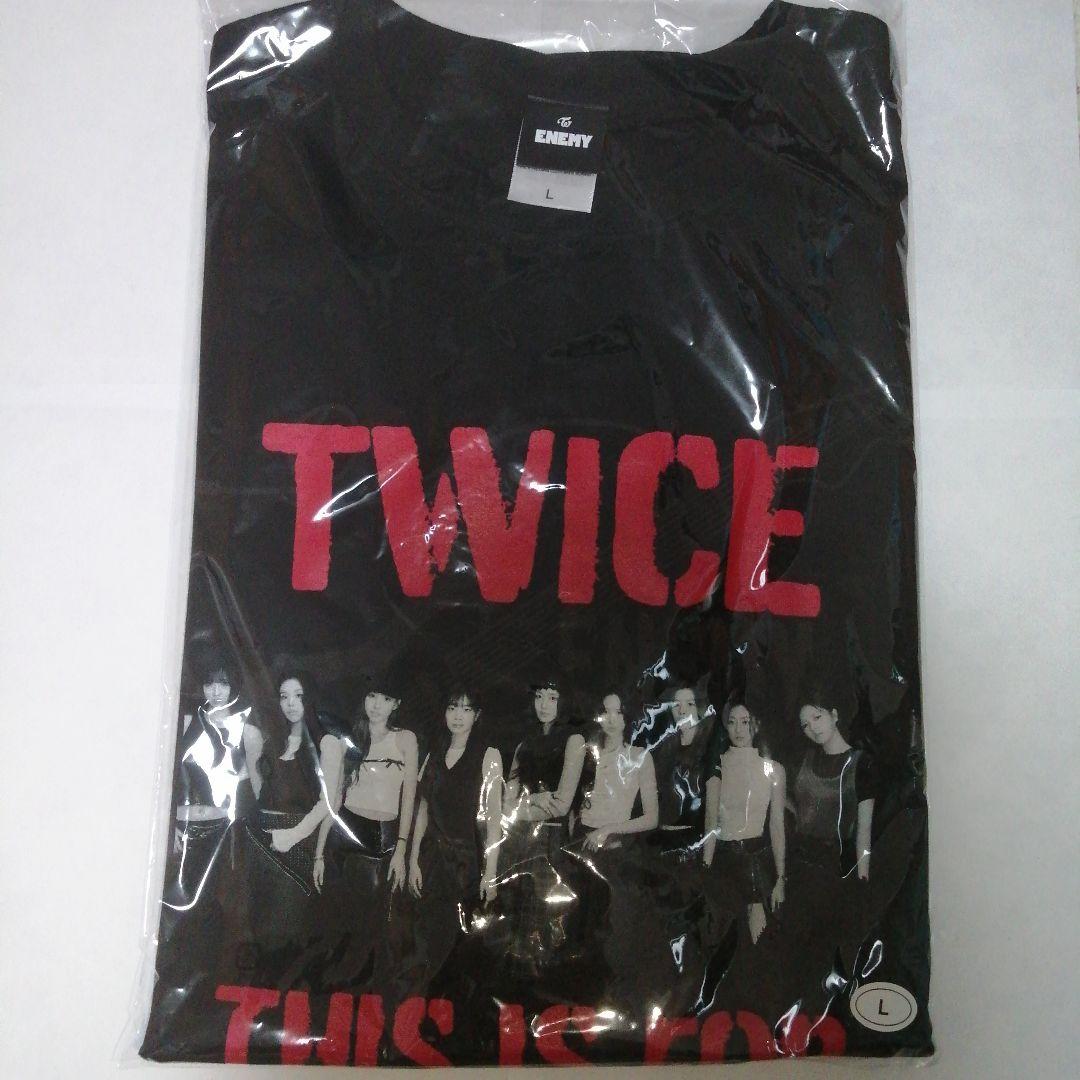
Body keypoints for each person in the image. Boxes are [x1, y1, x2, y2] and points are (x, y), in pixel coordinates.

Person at [142, 655, 264, 1056]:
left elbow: (252, 781)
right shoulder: (186, 722)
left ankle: (220, 991)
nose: (216, 690)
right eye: (211, 683)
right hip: (185, 829)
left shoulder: (244, 727)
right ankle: (183, 992)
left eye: (223, 683)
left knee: (223, 907)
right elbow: (174, 776)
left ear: (233, 687)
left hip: (222, 829)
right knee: (183, 913)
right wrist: (176, 824)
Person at [270, 672, 418, 992]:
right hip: (346, 834)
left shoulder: (405, 739)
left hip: (384, 836)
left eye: (385, 699)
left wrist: (402, 848)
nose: (376, 705)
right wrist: (319, 853)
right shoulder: (350, 738)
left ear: (396, 704)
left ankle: (368, 988)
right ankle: (332, 987)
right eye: (372, 696)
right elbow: (334, 799)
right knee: (340, 919)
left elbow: (410, 797)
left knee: (378, 921)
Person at [403, 690, 503, 996]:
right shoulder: (434, 754)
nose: (458, 715)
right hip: (431, 860)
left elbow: (495, 820)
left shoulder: (489, 755)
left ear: (477, 715)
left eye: (466, 709)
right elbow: (422, 810)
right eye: (452, 707)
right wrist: (413, 859)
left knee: (462, 945)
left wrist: (491, 874)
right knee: (426, 938)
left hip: (466, 863)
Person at [783, 690, 877, 1011]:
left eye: (817, 716)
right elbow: (791, 805)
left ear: (835, 714)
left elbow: (864, 830)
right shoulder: (803, 760)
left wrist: (862, 880)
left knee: (828, 955)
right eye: (805, 724)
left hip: (833, 870)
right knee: (796, 956)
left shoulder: (861, 763)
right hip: (797, 868)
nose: (812, 727)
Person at [568, 691, 658, 1004]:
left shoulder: (640, 757)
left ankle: (618, 999)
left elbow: (651, 817)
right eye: (605, 711)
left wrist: (608, 829)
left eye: (617, 712)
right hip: (582, 848)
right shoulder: (588, 754)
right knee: (582, 930)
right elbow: (575, 803)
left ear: (626, 717)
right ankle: (582, 998)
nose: (610, 718)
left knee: (616, 930)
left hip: (617, 849)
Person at [499, 677, 586, 975]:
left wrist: (523, 807)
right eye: (539, 697)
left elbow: (561, 804)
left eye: (552, 697)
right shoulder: (524, 744)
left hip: (553, 841)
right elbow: (507, 805)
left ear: (564, 702)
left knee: (550, 921)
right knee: (519, 921)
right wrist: (535, 799)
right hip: (520, 842)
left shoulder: (574, 740)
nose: (544, 705)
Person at [703, 703, 786, 946]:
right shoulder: (717, 766)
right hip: (723, 861)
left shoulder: (774, 769)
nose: (738, 729)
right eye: (732, 722)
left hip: (755, 864)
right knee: (722, 939)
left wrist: (781, 877)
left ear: (755, 724)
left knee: (759, 940)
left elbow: (777, 825)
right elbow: (710, 822)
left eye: (745, 721)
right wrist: (705, 869)